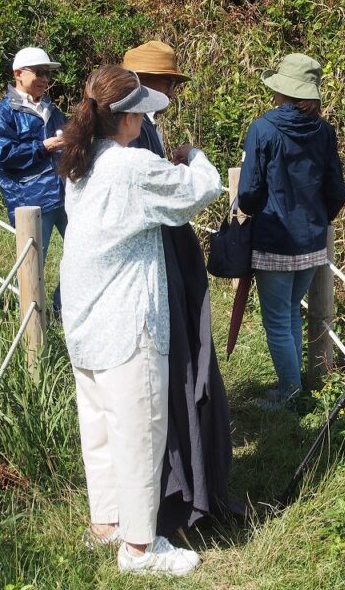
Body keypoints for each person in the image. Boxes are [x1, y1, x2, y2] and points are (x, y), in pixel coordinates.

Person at [56, 65, 223, 576]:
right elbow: (201, 190)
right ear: (129, 120)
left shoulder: (81, 161)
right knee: (139, 432)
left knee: (101, 428)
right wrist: (194, 157)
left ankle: (106, 524)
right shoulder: (129, 168)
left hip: (86, 317)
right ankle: (140, 548)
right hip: (128, 321)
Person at [121, 40, 241, 535]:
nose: (171, 90)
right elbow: (195, 190)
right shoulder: (133, 134)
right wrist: (193, 159)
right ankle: (178, 489)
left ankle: (189, 480)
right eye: (165, 82)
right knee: (182, 364)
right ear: (143, 85)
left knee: (189, 359)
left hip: (169, 253)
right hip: (162, 257)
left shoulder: (142, 127)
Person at [237, 53, 345, 409]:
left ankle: (288, 392)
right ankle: (294, 384)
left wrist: (248, 211)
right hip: (312, 241)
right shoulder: (324, 131)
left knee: (278, 321)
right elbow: (337, 191)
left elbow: (250, 190)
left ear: (280, 90)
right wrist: (317, 218)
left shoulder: (264, 129)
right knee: (289, 314)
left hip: (274, 239)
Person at [0, 46, 68, 314]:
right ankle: (29, 321)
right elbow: (3, 153)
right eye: (39, 72)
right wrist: (44, 147)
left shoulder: (50, 109)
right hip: (30, 202)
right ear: (18, 74)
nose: (45, 78)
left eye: (48, 74)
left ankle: (61, 309)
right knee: (32, 264)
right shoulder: (2, 113)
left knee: (80, 254)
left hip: (64, 196)